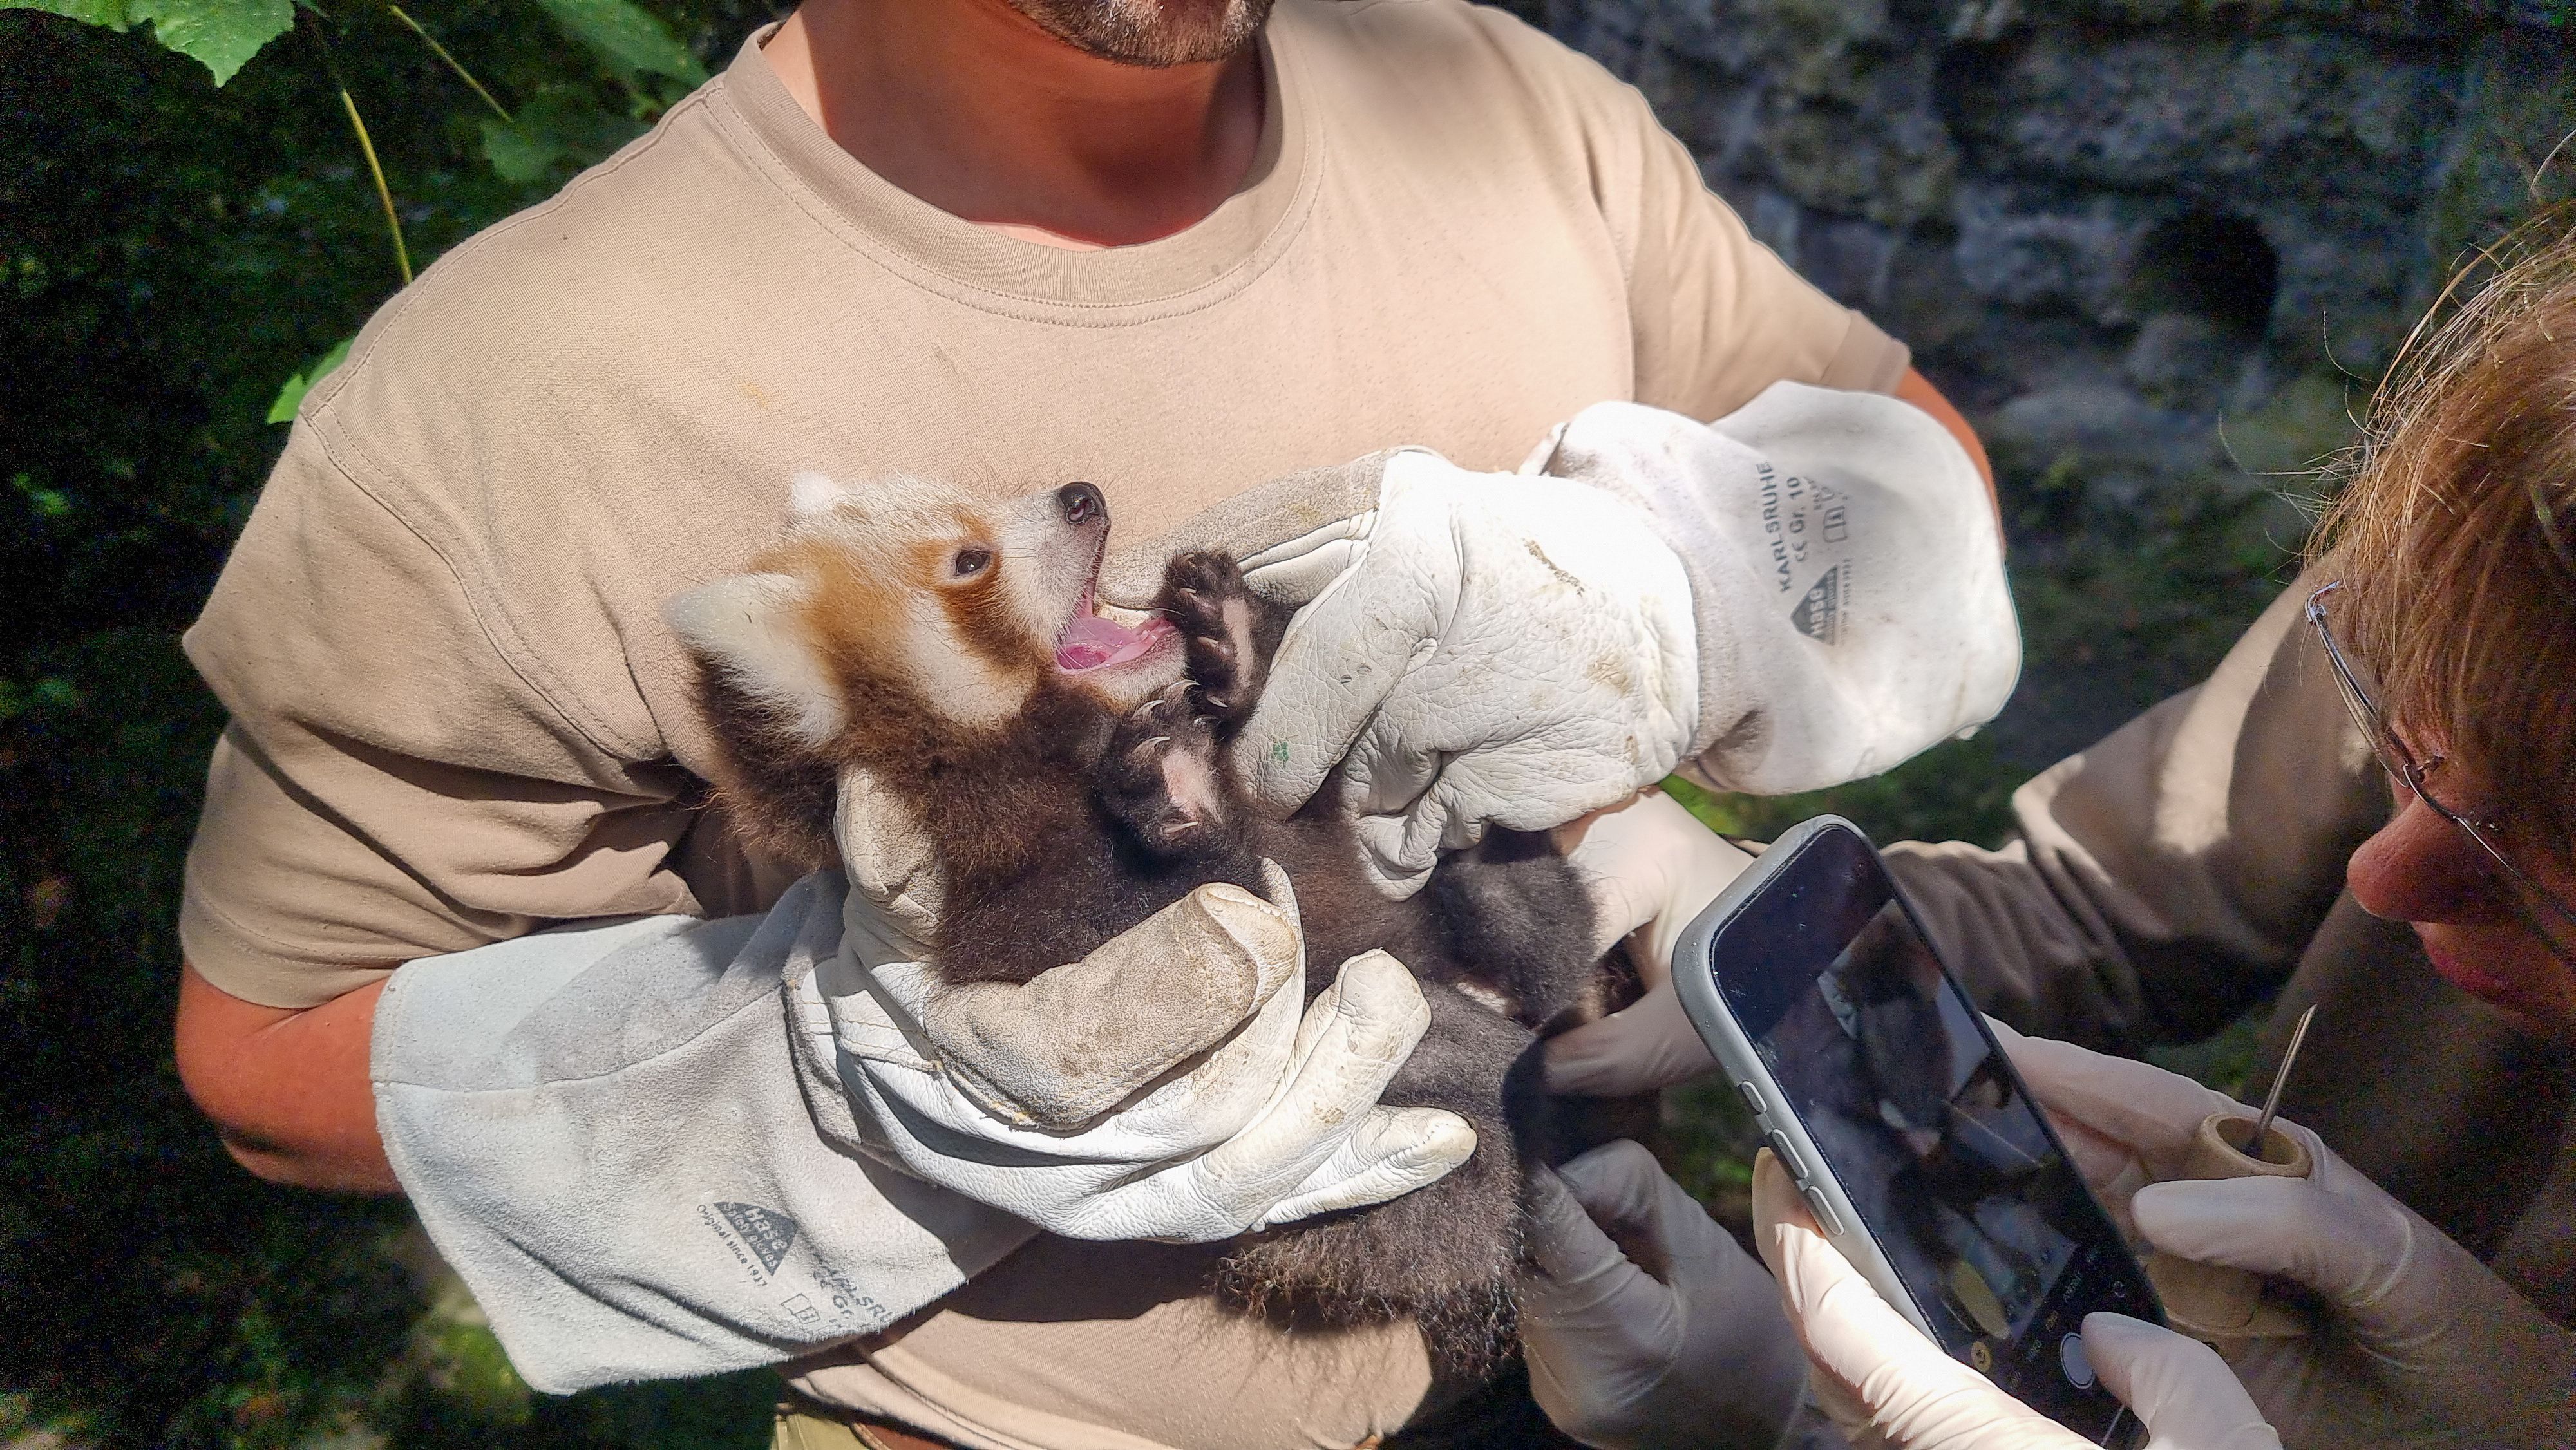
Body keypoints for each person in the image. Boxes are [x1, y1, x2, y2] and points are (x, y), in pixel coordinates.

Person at [169, 1, 2024, 1446]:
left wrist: (1688, 590)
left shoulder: (1508, 105)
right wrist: (830, 1090)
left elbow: (1917, 462)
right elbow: (267, 1064)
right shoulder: (512, 389)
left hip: (1620, 1327)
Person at [1520, 215, 2576, 1447]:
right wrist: (1775, 918)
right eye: (2409, 748)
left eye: (2532, 854)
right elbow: (2098, 902)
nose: (2383, 878)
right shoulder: (2487, 573)